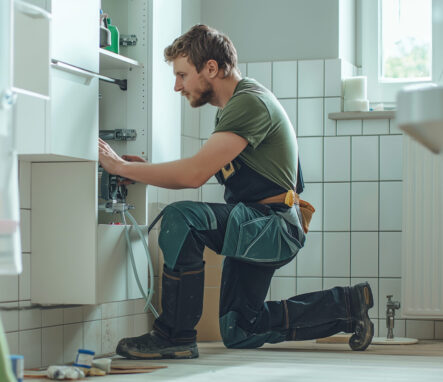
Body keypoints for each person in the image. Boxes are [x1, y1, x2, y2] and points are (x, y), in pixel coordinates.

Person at [98, 24, 374, 360]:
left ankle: (174, 335)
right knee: (242, 329)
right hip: (261, 224)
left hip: (272, 226)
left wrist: (120, 167)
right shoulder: (234, 109)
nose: (177, 86)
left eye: (183, 75)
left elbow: (195, 174)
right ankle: (347, 305)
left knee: (181, 217)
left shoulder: (248, 103)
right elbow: (198, 166)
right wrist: (142, 168)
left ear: (211, 68)